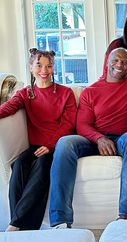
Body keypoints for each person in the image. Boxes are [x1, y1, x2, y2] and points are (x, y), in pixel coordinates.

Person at [49, 48, 127, 228]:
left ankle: (125, 216)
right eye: (116, 60)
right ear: (107, 62)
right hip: (94, 139)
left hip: (123, 138)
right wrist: (99, 139)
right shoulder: (91, 91)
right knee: (65, 143)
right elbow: (83, 126)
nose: (120, 65)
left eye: (125, 62)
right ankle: (61, 221)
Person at [0, 48, 77, 231]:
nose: (44, 70)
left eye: (49, 66)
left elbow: (68, 125)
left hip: (56, 146)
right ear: (31, 66)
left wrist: (50, 146)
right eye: (39, 65)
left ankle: (15, 225)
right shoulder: (26, 93)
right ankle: (20, 224)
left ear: (54, 67)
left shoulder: (65, 93)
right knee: (18, 166)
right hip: (34, 146)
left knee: (42, 166)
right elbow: (8, 108)